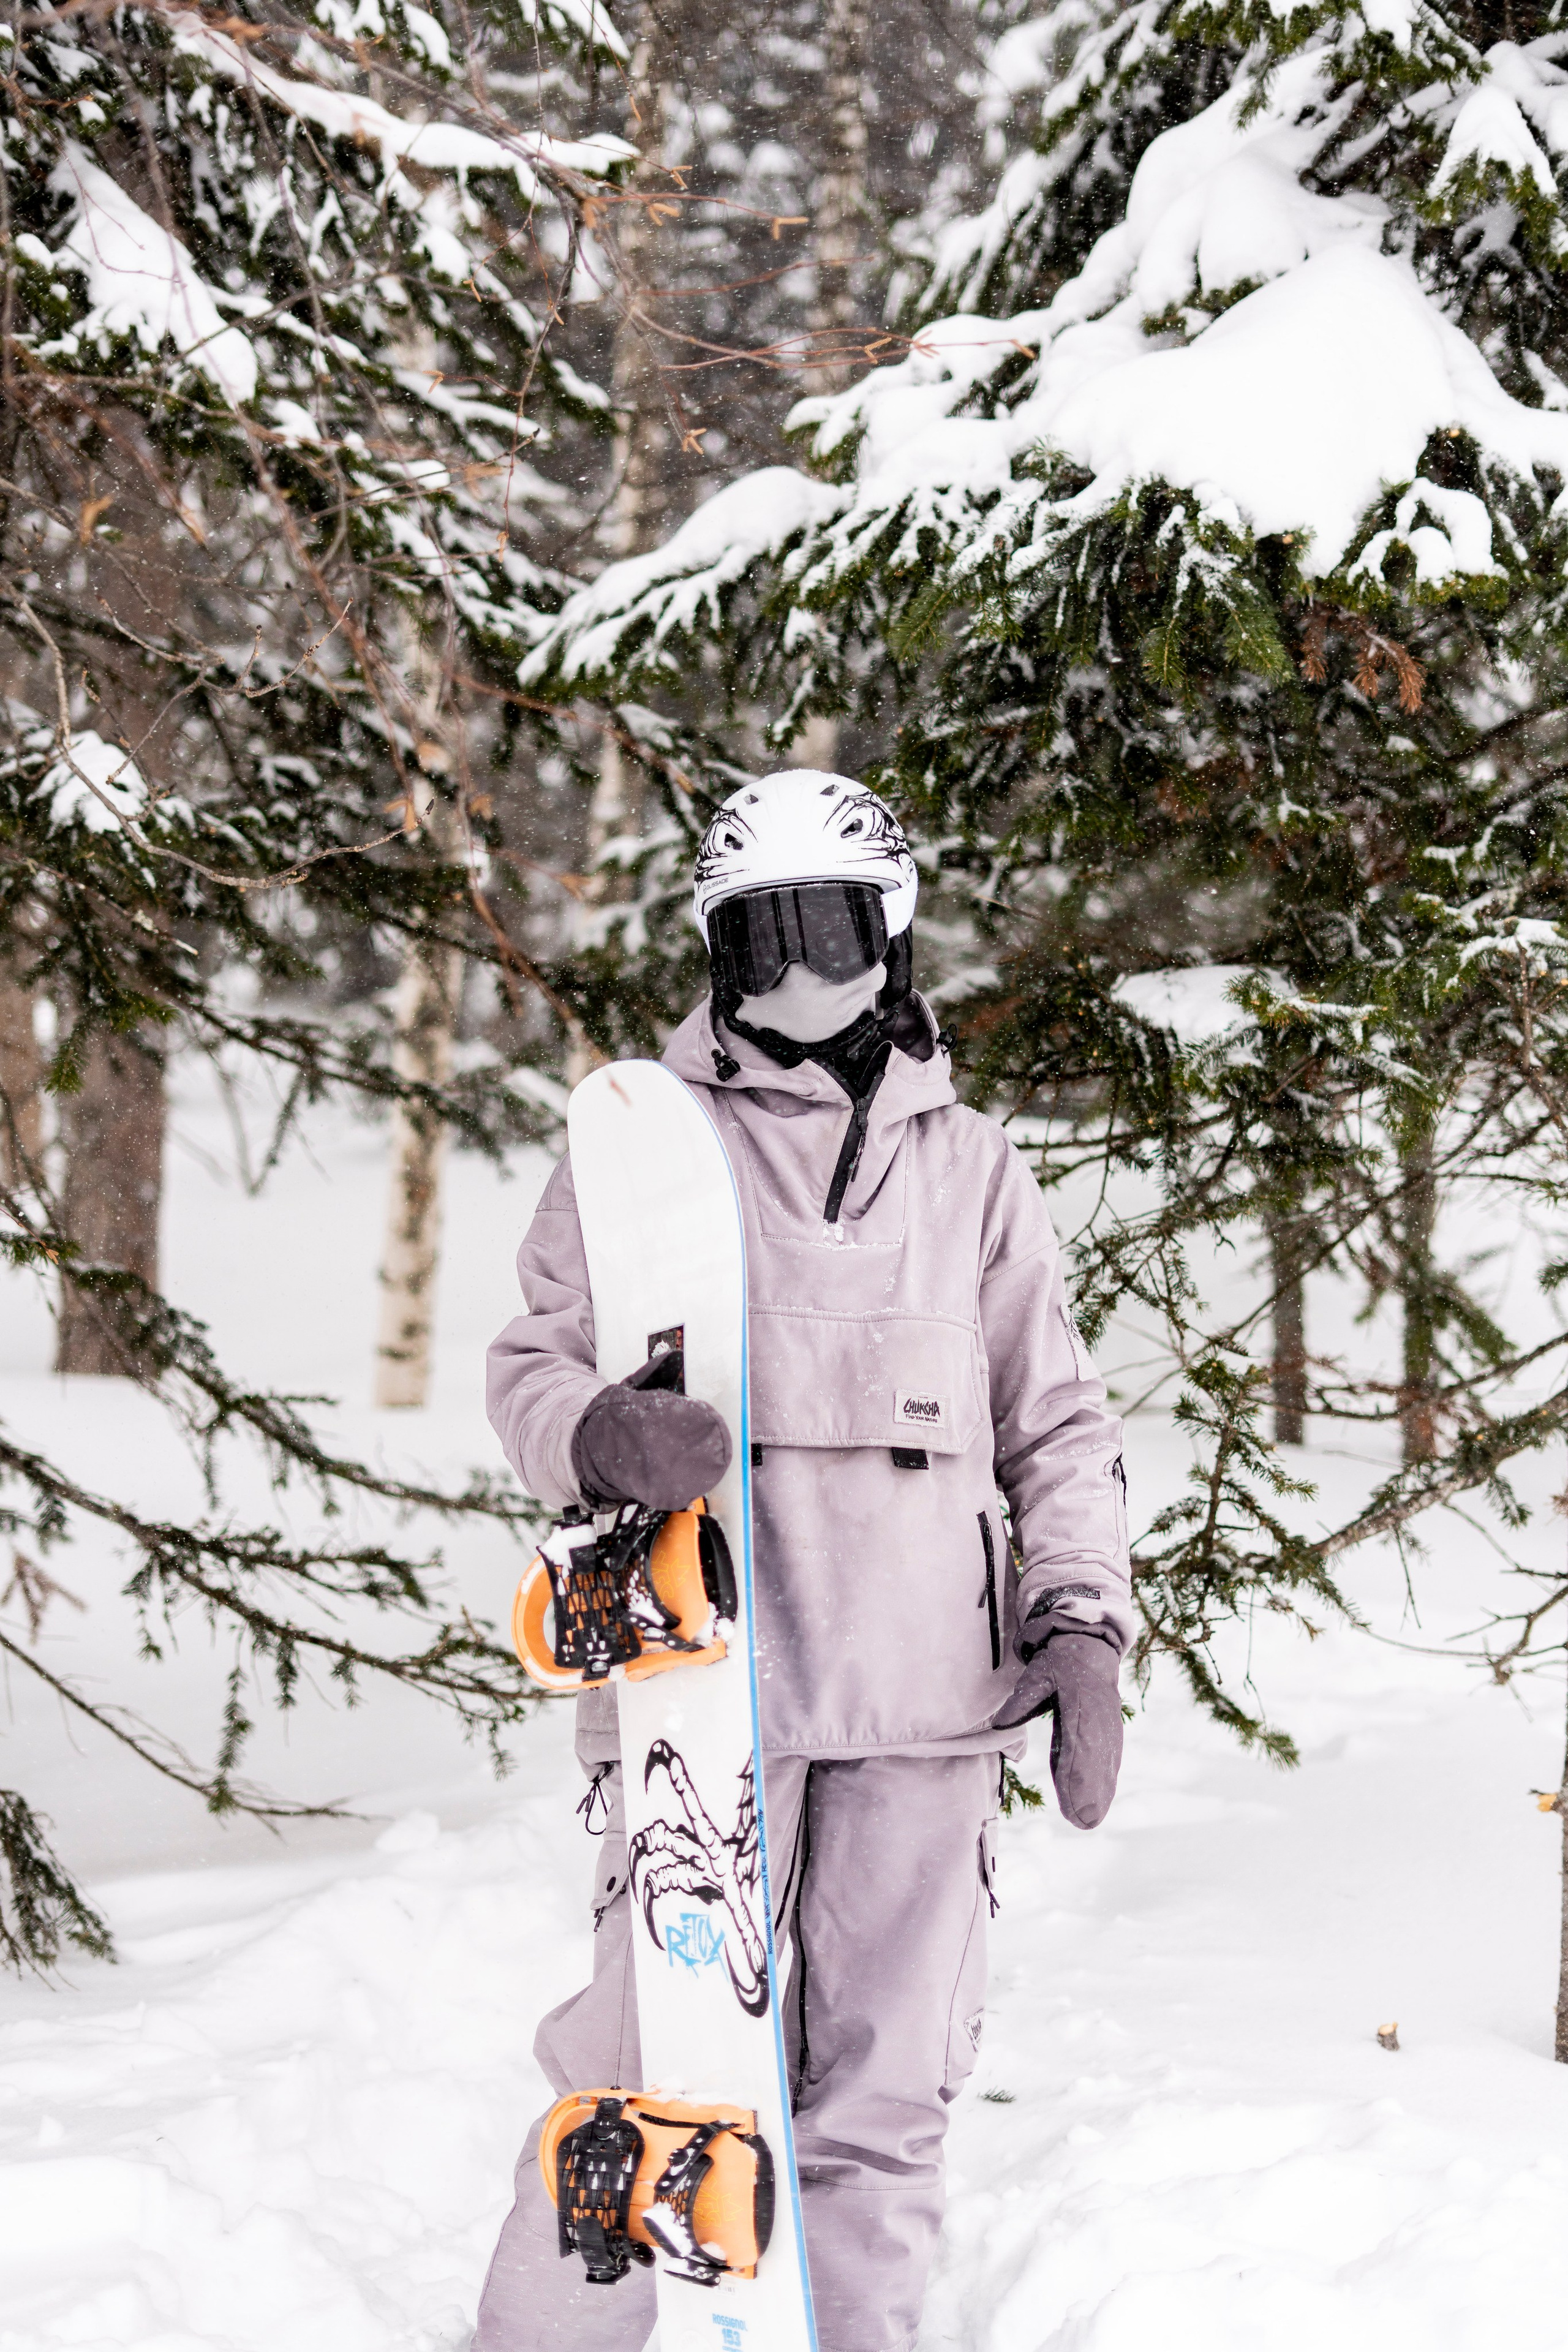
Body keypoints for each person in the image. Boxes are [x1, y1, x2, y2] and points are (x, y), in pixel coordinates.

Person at [475, 770, 1131, 2352]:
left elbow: (1057, 1421)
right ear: (716, 958)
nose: (799, 983)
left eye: (832, 938)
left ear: (895, 944)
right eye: (763, 945)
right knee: (644, 2077)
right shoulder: (647, 1152)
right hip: (713, 1704)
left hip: (928, 1715)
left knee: (883, 2099)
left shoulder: (974, 1172)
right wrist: (598, 1441)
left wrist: (1085, 1627)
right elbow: (528, 1363)